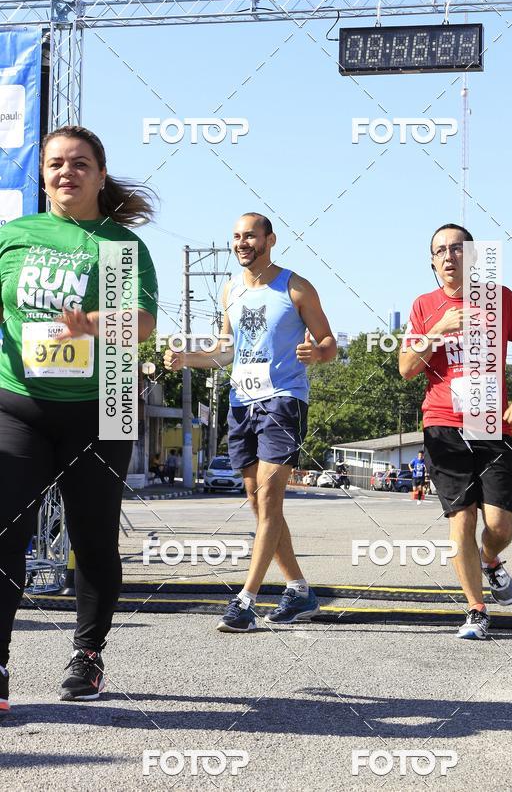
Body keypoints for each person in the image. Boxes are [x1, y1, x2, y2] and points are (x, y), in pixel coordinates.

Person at [0, 126, 158, 712]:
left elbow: (142, 324)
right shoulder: (14, 236)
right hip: (19, 401)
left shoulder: (117, 244)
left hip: (102, 404)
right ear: (42, 174)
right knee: (5, 532)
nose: (67, 172)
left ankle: (88, 653)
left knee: (93, 538)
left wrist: (93, 323)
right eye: (56, 164)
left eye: (80, 163)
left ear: (100, 173)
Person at [165, 212, 336, 632]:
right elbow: (226, 351)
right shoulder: (231, 290)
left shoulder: (295, 287)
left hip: (283, 401)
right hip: (241, 402)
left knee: (269, 500)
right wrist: (187, 359)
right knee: (259, 505)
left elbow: (329, 343)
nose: (242, 243)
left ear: (270, 240)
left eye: (251, 236)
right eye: (236, 237)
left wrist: (318, 353)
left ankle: (245, 601)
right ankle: (299, 590)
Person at [399, 223, 512, 640]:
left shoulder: (500, 299)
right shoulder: (424, 306)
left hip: (491, 424)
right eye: (440, 250)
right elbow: (406, 369)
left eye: (458, 248)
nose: (449, 256)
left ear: (474, 255)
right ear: (432, 261)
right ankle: (476, 610)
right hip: (443, 422)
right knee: (460, 519)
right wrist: (436, 330)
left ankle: (490, 559)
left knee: (500, 525)